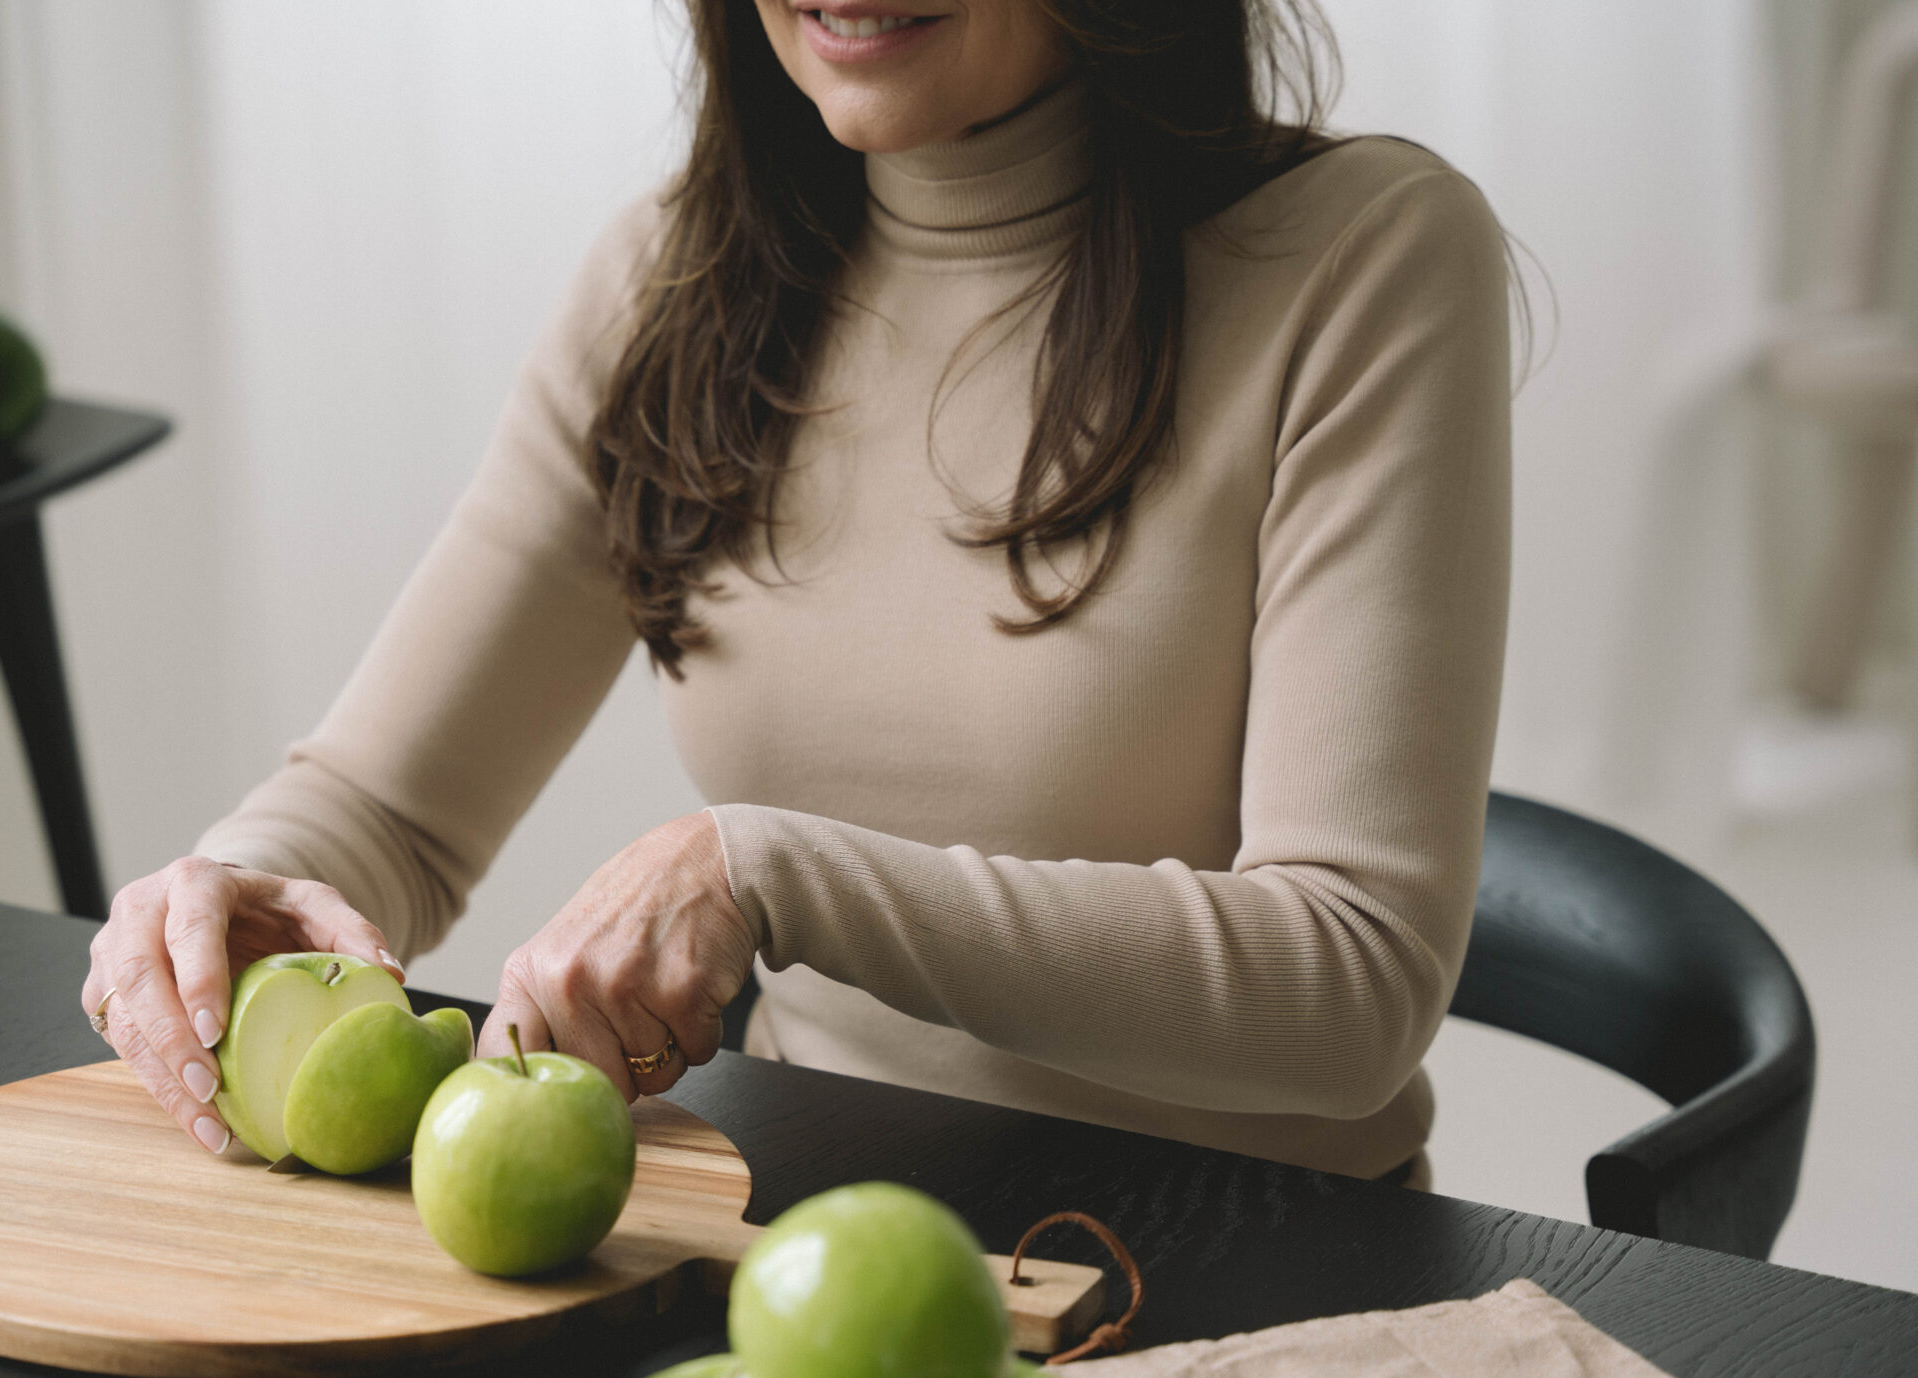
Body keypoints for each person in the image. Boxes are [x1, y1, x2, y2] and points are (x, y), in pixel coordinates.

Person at [81, 0, 1509, 1191]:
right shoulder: (675, 282)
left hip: (1267, 1278)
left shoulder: (1363, 255)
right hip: (795, 1250)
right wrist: (238, 889)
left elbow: (1354, 985)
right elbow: (386, 810)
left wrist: (773, 874)